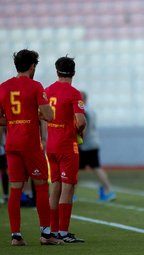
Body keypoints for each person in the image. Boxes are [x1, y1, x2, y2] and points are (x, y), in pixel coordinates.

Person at [0, 49, 62, 246]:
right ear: (32, 66)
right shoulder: (35, 86)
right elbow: (50, 115)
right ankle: (46, 234)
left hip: (11, 144)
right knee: (42, 186)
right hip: (30, 143)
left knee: (15, 189)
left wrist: (13, 120)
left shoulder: (3, 87)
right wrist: (35, 115)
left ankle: (16, 237)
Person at [45, 56, 86, 243]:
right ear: (74, 73)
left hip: (51, 145)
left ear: (57, 72)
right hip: (67, 146)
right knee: (68, 188)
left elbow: (43, 116)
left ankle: (52, 231)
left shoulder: (47, 91)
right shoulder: (74, 93)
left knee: (55, 187)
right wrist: (79, 131)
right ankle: (63, 232)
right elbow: (82, 121)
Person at [78, 91, 115, 202]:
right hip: (94, 142)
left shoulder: (82, 110)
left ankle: (70, 194)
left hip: (85, 144)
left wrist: (78, 141)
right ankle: (109, 190)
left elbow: (84, 127)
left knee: (75, 169)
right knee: (96, 167)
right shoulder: (91, 109)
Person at [0, 127, 9, 204]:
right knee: (4, 172)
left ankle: (6, 195)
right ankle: (6, 195)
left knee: (4, 172)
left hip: (2, 147)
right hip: (2, 146)